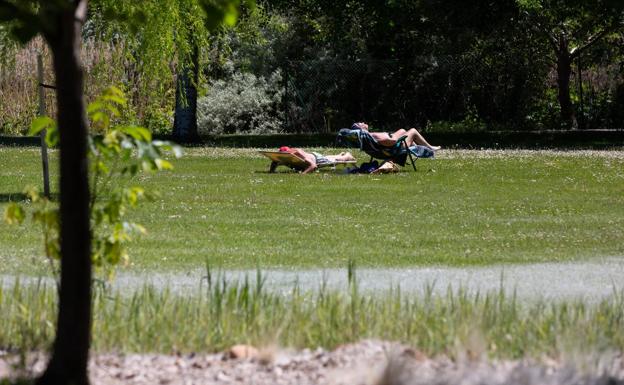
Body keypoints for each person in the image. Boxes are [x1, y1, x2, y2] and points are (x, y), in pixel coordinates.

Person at [351, 122, 441, 151]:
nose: (363, 122)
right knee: (413, 131)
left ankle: (418, 147)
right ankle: (429, 148)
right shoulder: (371, 135)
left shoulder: (368, 136)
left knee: (402, 130)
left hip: (390, 145)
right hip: (396, 147)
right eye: (360, 123)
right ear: (360, 128)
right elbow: (390, 141)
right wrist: (394, 138)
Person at [278, 146, 355, 174]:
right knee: (328, 157)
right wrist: (271, 171)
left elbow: (313, 166)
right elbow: (275, 161)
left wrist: (303, 174)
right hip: (313, 155)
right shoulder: (290, 154)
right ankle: (339, 154)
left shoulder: (298, 154)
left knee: (333, 160)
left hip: (316, 159)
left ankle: (347, 155)